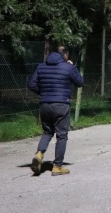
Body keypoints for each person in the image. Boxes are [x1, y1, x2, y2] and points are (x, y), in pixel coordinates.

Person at [27, 46, 84, 176]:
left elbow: (31, 84)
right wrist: (72, 67)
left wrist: (44, 93)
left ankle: (39, 154)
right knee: (61, 136)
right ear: (65, 56)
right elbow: (80, 82)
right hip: (61, 105)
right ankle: (57, 167)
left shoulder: (41, 66)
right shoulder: (68, 67)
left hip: (45, 104)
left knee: (47, 131)